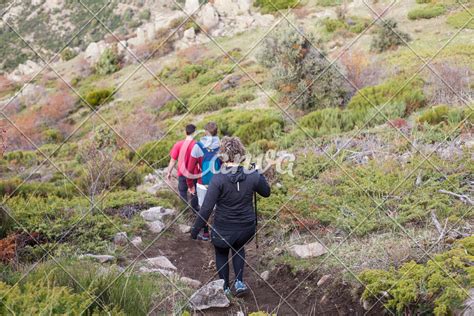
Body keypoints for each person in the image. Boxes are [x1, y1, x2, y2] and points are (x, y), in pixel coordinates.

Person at [191, 136, 271, 296]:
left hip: (223, 229)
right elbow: (266, 192)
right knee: (238, 246)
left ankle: (226, 288)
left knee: (221, 251)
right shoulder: (252, 175)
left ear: (222, 155)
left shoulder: (218, 178)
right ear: (240, 153)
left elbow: (206, 208)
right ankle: (239, 283)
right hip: (246, 228)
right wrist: (259, 174)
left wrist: (195, 230)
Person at [186, 121, 221, 240]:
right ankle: (216, 234)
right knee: (218, 208)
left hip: (202, 183)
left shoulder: (198, 146)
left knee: (204, 209)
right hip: (219, 183)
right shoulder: (222, 146)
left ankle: (205, 233)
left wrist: (190, 185)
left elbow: (190, 169)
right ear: (216, 132)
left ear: (205, 132)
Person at [166, 124, 199, 214]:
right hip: (194, 174)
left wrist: (169, 172)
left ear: (185, 132)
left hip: (182, 173)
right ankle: (195, 212)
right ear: (194, 133)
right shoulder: (197, 145)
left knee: (183, 192)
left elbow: (173, 161)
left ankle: (185, 213)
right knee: (194, 192)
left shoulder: (178, 145)